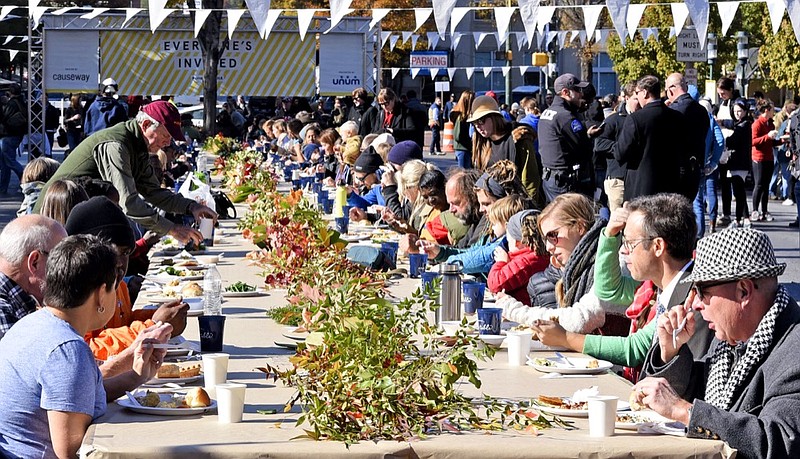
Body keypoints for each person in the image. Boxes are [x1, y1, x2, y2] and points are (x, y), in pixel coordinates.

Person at [634, 228, 800, 458]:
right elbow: (701, 392)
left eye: (702, 292)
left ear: (744, 291)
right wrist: (670, 352)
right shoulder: (731, 337)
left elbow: (781, 442)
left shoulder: (794, 352)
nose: (697, 305)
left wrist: (685, 412)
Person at [0, 234, 166, 459]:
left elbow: (76, 399)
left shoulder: (33, 324)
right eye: (114, 289)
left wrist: (136, 377)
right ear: (100, 294)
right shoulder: (68, 349)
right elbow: (71, 449)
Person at [531, 194, 712, 382]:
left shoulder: (692, 298)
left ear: (658, 246)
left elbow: (635, 349)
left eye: (629, 243)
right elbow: (608, 289)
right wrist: (609, 235)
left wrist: (566, 338)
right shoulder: (659, 285)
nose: (623, 250)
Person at [35, 100, 217, 244]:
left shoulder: (139, 145)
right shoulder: (117, 145)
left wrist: (191, 206)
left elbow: (154, 192)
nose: (167, 143)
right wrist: (172, 229)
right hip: (51, 217)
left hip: (72, 215)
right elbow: (128, 202)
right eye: (165, 136)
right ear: (145, 125)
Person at [66, 196, 189, 361]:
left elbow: (123, 322)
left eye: (126, 253)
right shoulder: (72, 296)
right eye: (113, 252)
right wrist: (152, 327)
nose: (121, 263)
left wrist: (161, 317)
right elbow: (87, 350)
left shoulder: (119, 286)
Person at [498, 193, 625, 333]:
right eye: (545, 239)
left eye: (553, 235)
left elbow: (578, 321)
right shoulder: (574, 269)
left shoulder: (613, 260)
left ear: (580, 227)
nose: (548, 247)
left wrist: (513, 310)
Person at [615, 75, 691, 201]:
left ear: (645, 93)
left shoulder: (636, 119)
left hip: (641, 187)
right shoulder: (677, 117)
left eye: (637, 93)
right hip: (670, 186)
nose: (637, 96)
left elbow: (620, 153)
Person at [467, 95, 543, 206]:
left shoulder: (518, 139)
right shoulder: (480, 142)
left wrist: (527, 208)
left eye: (481, 121)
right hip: (490, 205)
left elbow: (530, 180)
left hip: (515, 204)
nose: (478, 126)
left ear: (494, 117)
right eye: (474, 123)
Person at [0, 215, 68, 339]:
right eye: (61, 261)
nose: (67, 271)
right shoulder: (3, 312)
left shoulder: (20, 300)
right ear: (34, 262)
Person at [537, 74, 596, 202]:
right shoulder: (565, 117)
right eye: (577, 90)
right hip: (564, 181)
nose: (581, 94)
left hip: (551, 178)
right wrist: (589, 136)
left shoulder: (549, 112)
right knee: (569, 218)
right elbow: (584, 148)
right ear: (565, 92)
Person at [487, 209, 549, 305]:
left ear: (517, 242)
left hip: (522, 312)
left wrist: (501, 262)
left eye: (508, 239)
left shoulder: (527, 261)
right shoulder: (541, 256)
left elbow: (495, 284)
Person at [595, 81, 638, 212]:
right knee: (619, 218)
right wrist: (621, 147)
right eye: (636, 99)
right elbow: (599, 144)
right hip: (618, 179)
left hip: (637, 178)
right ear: (626, 98)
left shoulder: (642, 118)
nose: (640, 103)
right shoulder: (614, 120)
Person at [665, 73, 707, 200]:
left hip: (675, 169)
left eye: (666, 89)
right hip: (695, 167)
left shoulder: (672, 111)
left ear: (671, 89)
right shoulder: (701, 110)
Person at [714, 77, 739, 227]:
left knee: (735, 182)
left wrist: (722, 122)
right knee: (724, 182)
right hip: (722, 146)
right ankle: (726, 213)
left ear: (730, 90)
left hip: (732, 146)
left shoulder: (737, 103)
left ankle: (741, 214)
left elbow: (739, 122)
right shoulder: (721, 104)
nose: (721, 96)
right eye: (719, 94)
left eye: (723, 93)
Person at [724, 98, 753, 228]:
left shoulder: (744, 125)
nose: (737, 114)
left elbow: (733, 141)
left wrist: (725, 140)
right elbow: (732, 124)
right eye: (735, 111)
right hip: (738, 162)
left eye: (740, 111)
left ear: (745, 111)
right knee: (739, 191)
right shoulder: (742, 124)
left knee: (739, 191)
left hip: (739, 163)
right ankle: (743, 217)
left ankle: (739, 218)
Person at [751, 99, 781, 222]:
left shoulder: (771, 124)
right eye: (772, 109)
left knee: (766, 185)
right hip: (759, 158)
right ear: (766, 110)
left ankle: (764, 210)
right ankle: (754, 210)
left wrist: (782, 140)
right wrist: (767, 136)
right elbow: (753, 141)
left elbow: (772, 142)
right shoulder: (757, 124)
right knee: (759, 184)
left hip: (769, 157)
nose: (773, 112)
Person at [0, 83, 26, 194]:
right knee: (5, 162)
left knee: (10, 162)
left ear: (10, 93)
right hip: (16, 135)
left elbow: (3, 118)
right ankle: (3, 187)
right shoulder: (22, 102)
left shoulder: (11, 104)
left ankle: (26, 179)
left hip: (8, 135)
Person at [450, 90, 475, 168]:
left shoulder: (464, 116)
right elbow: (457, 135)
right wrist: (470, 143)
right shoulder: (461, 118)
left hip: (465, 149)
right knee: (464, 174)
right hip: (463, 150)